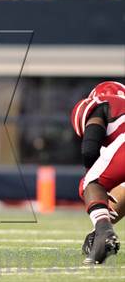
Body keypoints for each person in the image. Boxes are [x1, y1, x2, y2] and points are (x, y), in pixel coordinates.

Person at [70, 82, 125, 264]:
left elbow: (90, 149)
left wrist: (93, 188)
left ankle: (103, 234)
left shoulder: (99, 102)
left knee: (89, 183)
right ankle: (102, 231)